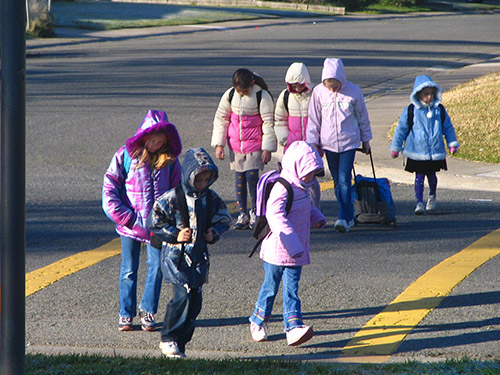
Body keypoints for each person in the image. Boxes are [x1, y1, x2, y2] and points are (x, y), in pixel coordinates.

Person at [102, 109, 182, 332]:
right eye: (152, 139)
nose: (156, 144)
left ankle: (148, 309)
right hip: (131, 225)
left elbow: (178, 192)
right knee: (129, 269)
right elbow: (109, 187)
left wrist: (173, 221)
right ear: (144, 136)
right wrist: (127, 217)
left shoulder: (170, 162)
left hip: (158, 227)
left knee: (156, 268)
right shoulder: (126, 156)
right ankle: (125, 313)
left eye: (160, 140)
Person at [148, 147, 232, 358]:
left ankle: (181, 343)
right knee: (182, 295)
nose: (202, 185)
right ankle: (168, 337)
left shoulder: (211, 198)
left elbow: (224, 219)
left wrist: (214, 233)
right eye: (198, 180)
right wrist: (175, 234)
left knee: (195, 301)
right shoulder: (171, 198)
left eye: (206, 180)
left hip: (199, 256)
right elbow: (155, 221)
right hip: (176, 258)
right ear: (188, 177)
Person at [249, 141, 326, 347]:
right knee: (270, 288)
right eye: (308, 171)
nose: (311, 177)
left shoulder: (302, 187)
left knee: (292, 289)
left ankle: (293, 328)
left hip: (296, 251)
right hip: (278, 250)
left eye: (313, 172)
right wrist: (292, 243)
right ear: (295, 166)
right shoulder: (282, 187)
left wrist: (316, 217)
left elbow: (306, 208)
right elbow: (275, 216)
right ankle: (257, 321)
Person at [306, 58, 372, 233]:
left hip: (348, 143)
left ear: (341, 79)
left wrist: (366, 140)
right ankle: (348, 215)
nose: (332, 89)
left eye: (335, 85)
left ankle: (343, 217)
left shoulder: (354, 92)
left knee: (344, 180)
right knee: (337, 182)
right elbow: (314, 119)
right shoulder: (318, 92)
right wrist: (313, 144)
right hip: (328, 144)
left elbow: (362, 117)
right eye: (329, 85)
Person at [212, 68, 276, 230]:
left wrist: (267, 148)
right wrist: (220, 145)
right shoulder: (230, 95)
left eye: (245, 91)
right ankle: (243, 214)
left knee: (252, 178)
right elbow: (221, 119)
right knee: (239, 180)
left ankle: (256, 211)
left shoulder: (262, 96)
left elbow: (269, 122)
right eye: (240, 91)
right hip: (236, 146)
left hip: (255, 145)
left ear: (252, 84)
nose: (242, 94)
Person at [390, 75, 459, 215]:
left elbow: (448, 127)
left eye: (431, 94)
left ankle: (432, 196)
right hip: (417, 150)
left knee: (432, 177)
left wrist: (452, 143)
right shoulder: (411, 110)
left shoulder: (439, 110)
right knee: (419, 177)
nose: (429, 97)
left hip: (434, 150)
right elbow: (401, 129)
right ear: (418, 94)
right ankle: (419, 202)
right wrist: (396, 147)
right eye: (426, 94)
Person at [274, 62, 322, 210]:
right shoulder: (286, 96)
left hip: (311, 145)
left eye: (299, 85)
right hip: (292, 145)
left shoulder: (315, 94)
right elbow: (279, 118)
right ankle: (297, 207)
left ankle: (316, 207)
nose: (296, 88)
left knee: (311, 180)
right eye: (293, 85)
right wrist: (284, 137)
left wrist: (319, 140)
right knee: (293, 179)